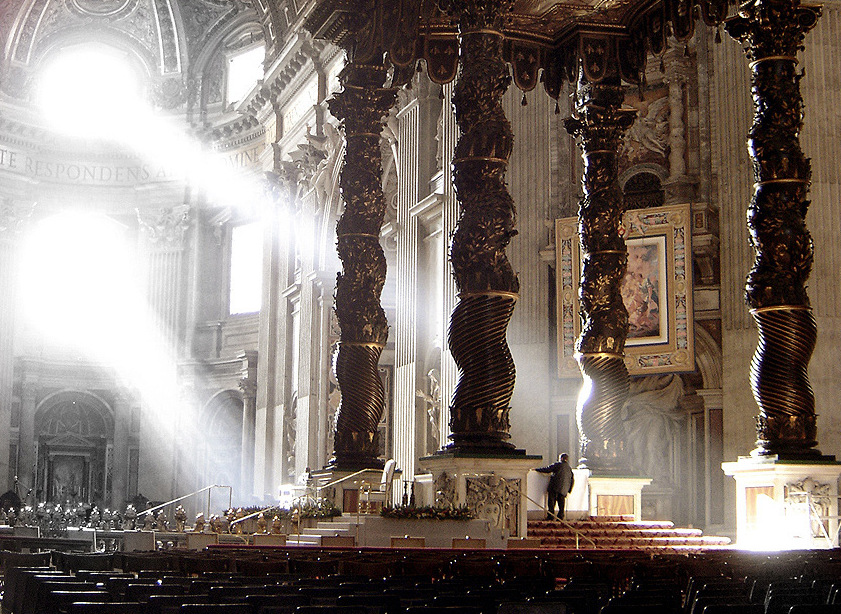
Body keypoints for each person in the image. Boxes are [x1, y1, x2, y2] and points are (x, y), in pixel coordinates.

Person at [536, 453, 575, 521]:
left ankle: (551, 516)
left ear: (561, 458)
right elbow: (572, 479)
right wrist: (569, 490)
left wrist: (537, 469)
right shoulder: (569, 468)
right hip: (564, 488)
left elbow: (548, 469)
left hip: (555, 486)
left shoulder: (558, 465)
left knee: (551, 502)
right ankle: (560, 516)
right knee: (561, 503)